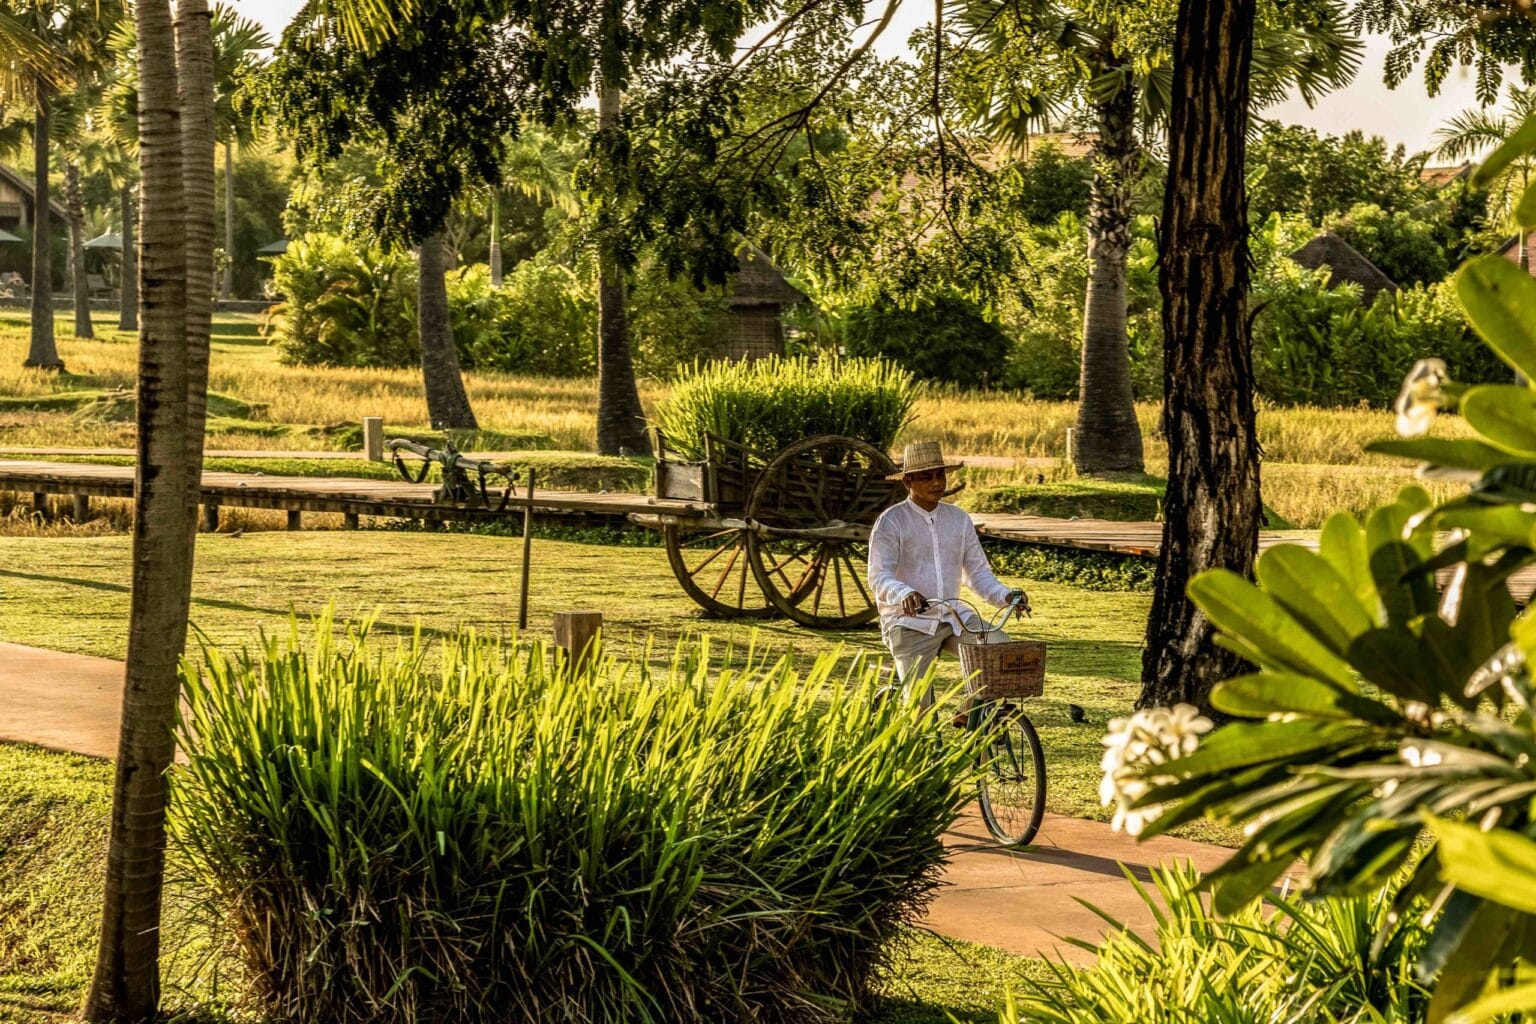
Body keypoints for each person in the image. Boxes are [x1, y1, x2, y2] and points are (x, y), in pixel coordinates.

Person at [868, 440, 1029, 709]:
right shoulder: (891, 521)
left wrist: (1006, 595)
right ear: (908, 481)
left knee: (999, 647)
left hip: (955, 618)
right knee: (919, 711)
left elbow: (978, 574)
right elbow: (879, 575)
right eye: (926, 476)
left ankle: (968, 714)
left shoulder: (959, 519)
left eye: (940, 474)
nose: (936, 482)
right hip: (909, 623)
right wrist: (905, 593)